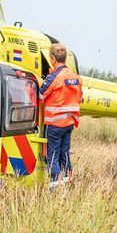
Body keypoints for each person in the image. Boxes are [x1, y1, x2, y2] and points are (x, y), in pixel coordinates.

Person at [40, 43, 81, 187]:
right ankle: (67, 181)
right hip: (69, 123)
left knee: (52, 156)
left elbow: (41, 94)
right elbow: (79, 97)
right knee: (65, 153)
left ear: (52, 59)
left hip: (55, 124)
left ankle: (54, 186)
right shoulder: (76, 77)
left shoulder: (54, 77)